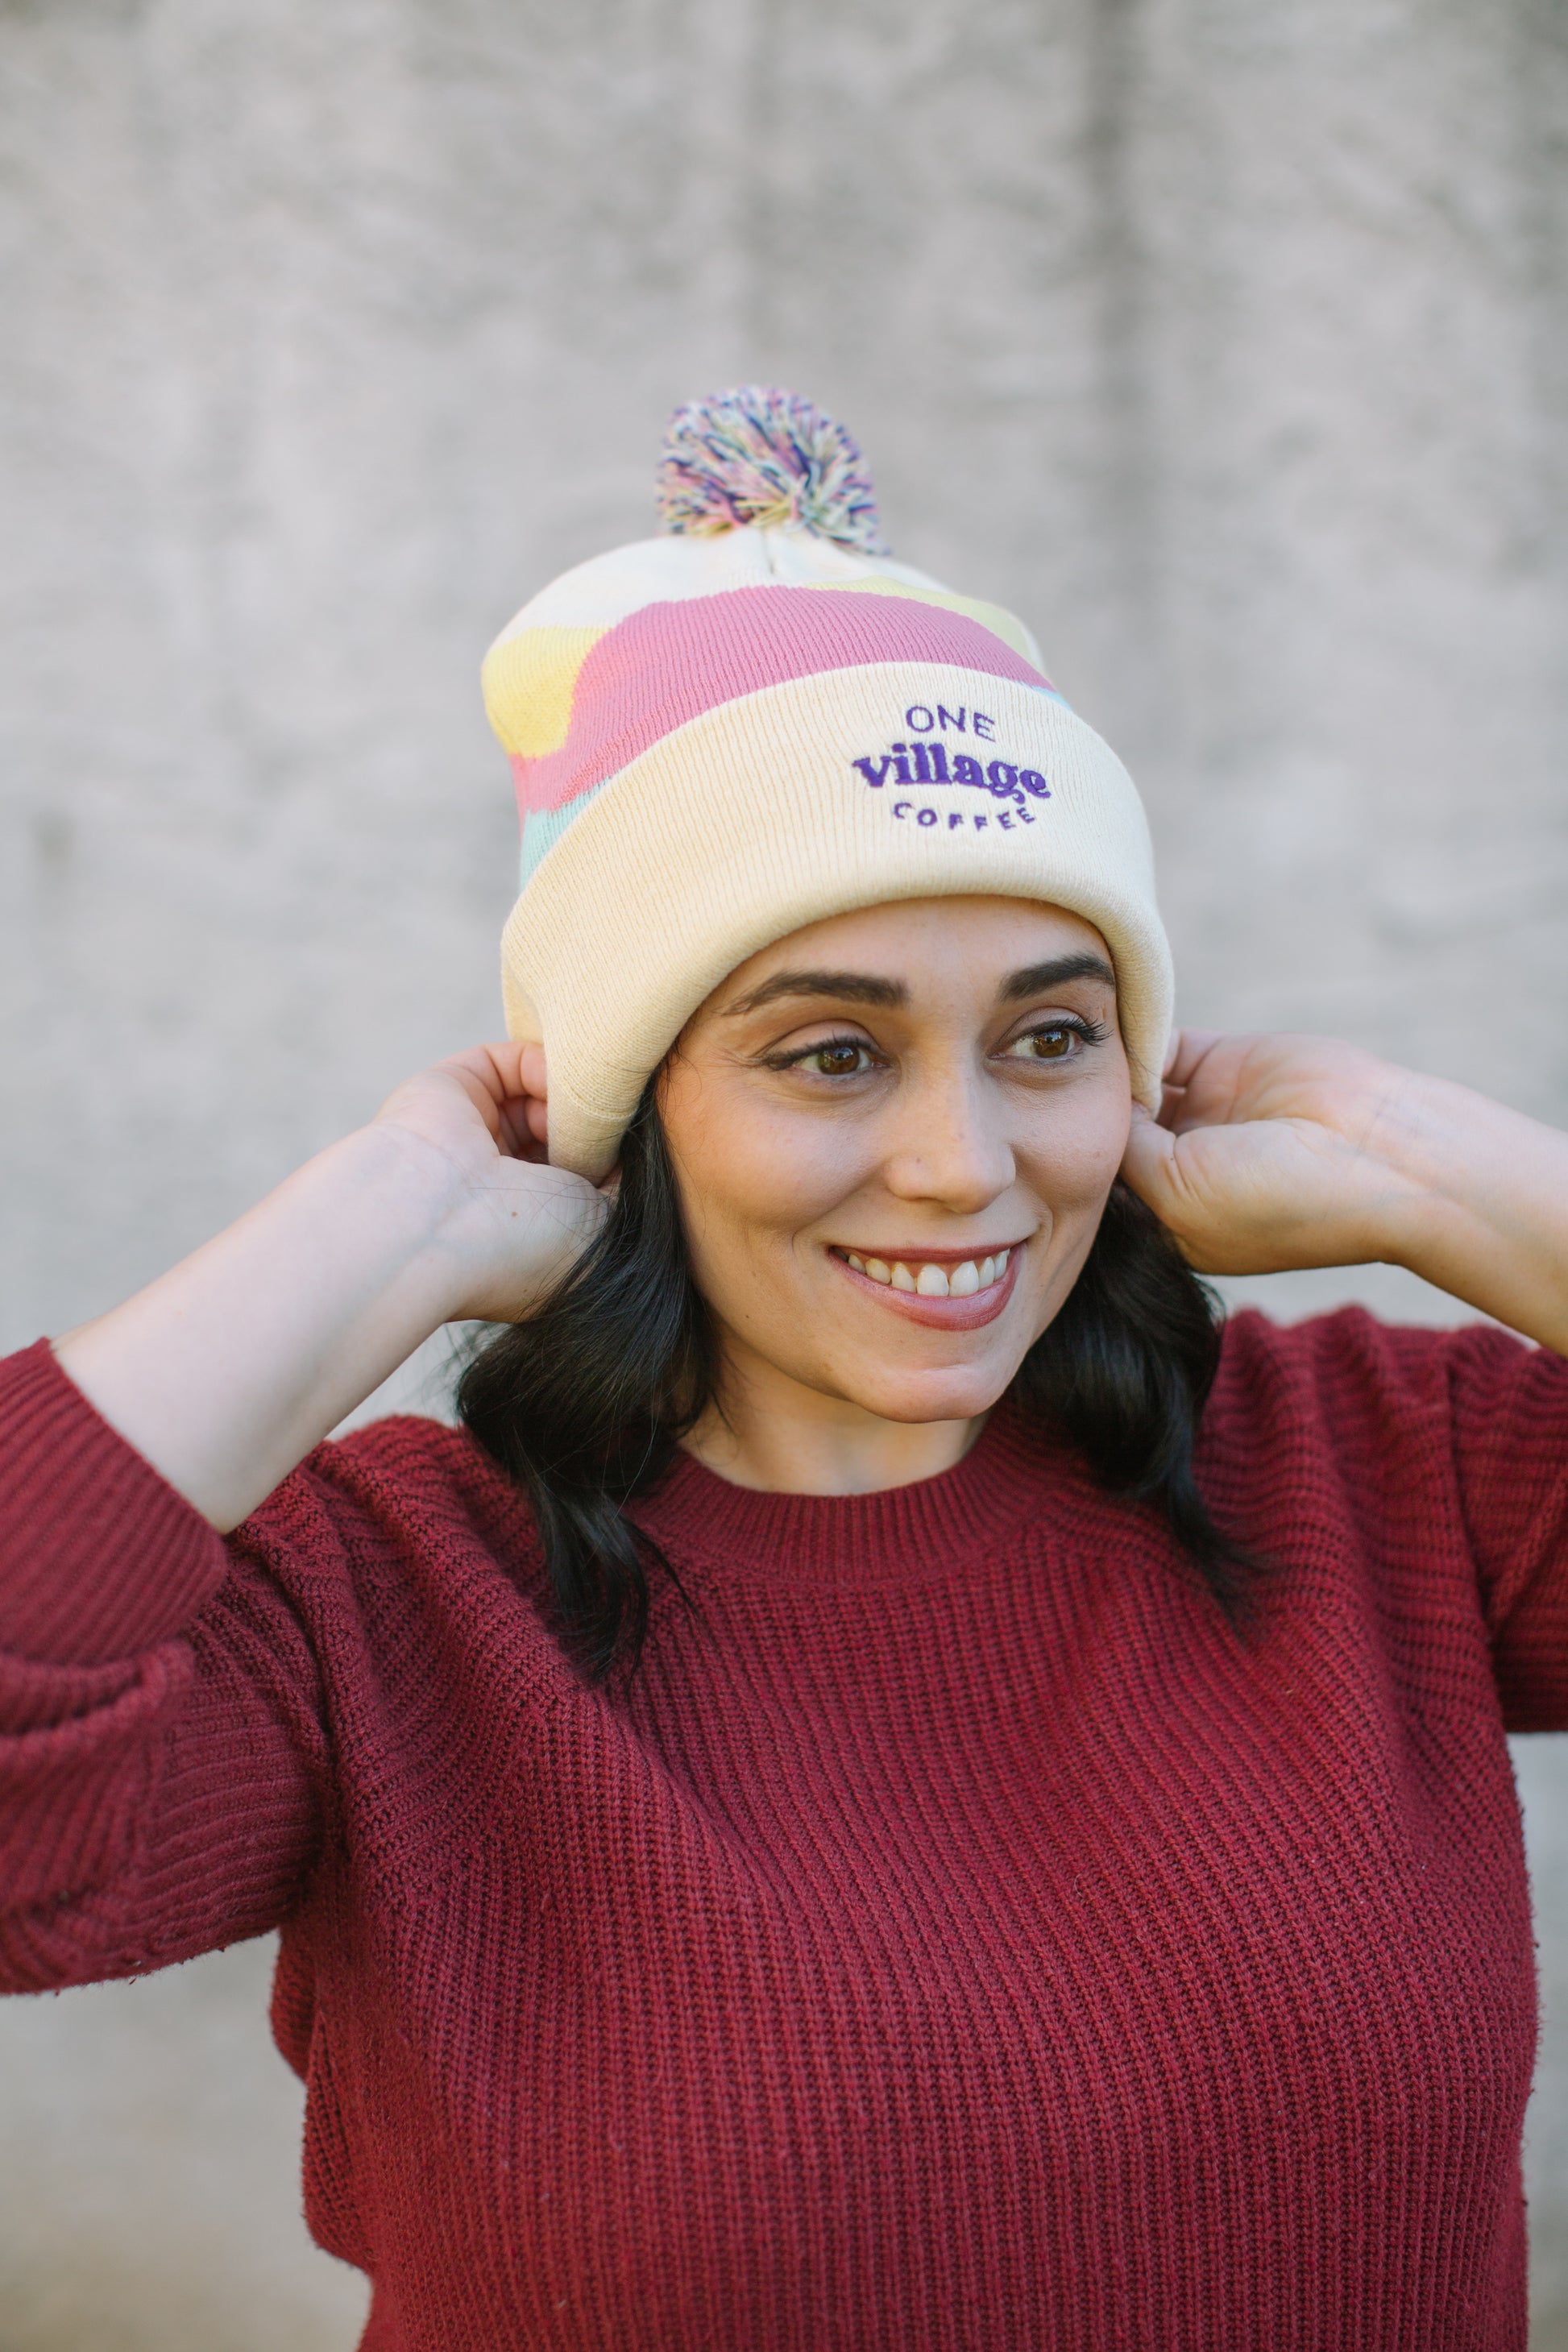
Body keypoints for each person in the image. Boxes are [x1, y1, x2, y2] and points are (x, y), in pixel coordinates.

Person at [2, 385, 1566, 2352]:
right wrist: (391, 1215)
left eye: (1050, 1033)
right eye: (830, 1048)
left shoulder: (1370, 1469)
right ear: (626, 1093)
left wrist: (1438, 1168)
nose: (963, 1159)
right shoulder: (389, 1602)